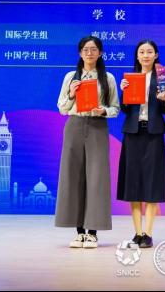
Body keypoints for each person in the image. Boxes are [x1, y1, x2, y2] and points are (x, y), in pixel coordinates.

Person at [55, 36, 120, 249]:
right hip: (74, 126)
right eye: (85, 49)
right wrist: (72, 94)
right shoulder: (70, 77)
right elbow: (62, 108)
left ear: (100, 53)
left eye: (93, 49)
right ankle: (79, 232)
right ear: (80, 53)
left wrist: (104, 111)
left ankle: (92, 232)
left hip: (97, 127)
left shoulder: (108, 78)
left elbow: (115, 108)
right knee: (73, 177)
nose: (89, 53)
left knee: (97, 178)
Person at [118, 40, 165, 248]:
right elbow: (124, 109)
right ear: (137, 55)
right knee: (133, 182)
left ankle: (148, 233)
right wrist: (124, 92)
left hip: (153, 133)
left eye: (150, 52)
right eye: (142, 52)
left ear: (156, 55)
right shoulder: (130, 78)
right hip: (132, 133)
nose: (146, 55)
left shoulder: (162, 78)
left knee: (152, 181)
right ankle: (137, 232)